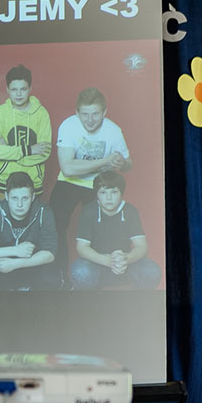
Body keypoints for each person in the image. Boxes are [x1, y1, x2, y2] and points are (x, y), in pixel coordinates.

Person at [48, 87, 131, 282]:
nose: (90, 120)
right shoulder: (69, 125)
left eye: (95, 114)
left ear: (104, 112)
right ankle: (59, 278)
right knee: (53, 223)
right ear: (77, 112)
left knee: (101, 228)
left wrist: (122, 162)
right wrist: (105, 161)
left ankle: (99, 277)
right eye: (85, 114)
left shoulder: (113, 130)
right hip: (69, 181)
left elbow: (128, 164)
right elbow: (68, 168)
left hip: (98, 184)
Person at [70, 170, 161, 289]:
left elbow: (142, 246)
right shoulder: (88, 211)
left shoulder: (130, 210)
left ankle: (136, 300)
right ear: (96, 194)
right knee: (81, 271)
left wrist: (126, 259)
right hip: (97, 261)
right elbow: (82, 248)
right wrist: (107, 260)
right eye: (103, 192)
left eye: (114, 192)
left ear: (121, 193)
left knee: (151, 271)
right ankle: (91, 300)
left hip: (123, 262)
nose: (108, 198)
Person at [0, 172, 62, 291]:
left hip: (31, 263)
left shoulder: (43, 212)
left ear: (33, 197)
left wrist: (16, 263)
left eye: (25, 198)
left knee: (51, 278)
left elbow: (50, 254)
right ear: (6, 196)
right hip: (3, 264)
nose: (19, 204)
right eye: (14, 198)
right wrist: (15, 250)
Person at [0, 65, 52, 202]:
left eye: (23, 89)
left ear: (30, 89)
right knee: (3, 216)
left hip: (33, 181)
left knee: (33, 216)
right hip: (4, 180)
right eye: (14, 90)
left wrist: (8, 152)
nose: (18, 94)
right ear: (7, 90)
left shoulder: (42, 113)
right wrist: (29, 150)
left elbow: (44, 152)